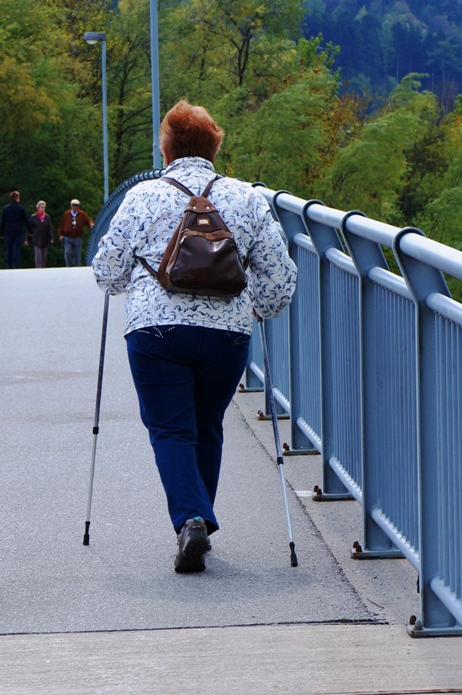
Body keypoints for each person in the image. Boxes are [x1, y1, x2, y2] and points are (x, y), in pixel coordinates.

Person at [91, 100, 296, 574]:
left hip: (156, 331)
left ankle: (190, 520)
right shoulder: (247, 198)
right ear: (215, 148)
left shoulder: (141, 197)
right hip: (227, 335)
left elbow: (106, 271)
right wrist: (253, 309)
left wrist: (139, 287)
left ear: (166, 149)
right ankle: (196, 520)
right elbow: (281, 280)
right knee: (207, 426)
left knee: (170, 429)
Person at [58, 198, 94, 267]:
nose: (75, 207)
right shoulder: (66, 214)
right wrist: (60, 234)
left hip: (77, 237)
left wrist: (91, 224)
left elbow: (88, 220)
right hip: (68, 237)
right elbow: (61, 225)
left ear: (78, 206)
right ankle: (69, 266)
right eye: (74, 205)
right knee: (67, 252)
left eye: (76, 206)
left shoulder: (82, 214)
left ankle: (76, 267)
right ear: (71, 206)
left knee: (77, 254)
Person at [0, 190, 30, 268]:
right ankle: (15, 265)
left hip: (8, 232)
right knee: (17, 249)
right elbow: (27, 220)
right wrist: (31, 230)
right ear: (17, 198)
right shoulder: (21, 208)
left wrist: (2, 233)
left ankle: (9, 265)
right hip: (19, 232)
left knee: (9, 249)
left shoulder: (6, 209)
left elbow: (2, 221)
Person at [28, 200, 55, 268]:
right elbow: (29, 228)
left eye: (44, 207)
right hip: (36, 239)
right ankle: (38, 268)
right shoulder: (33, 217)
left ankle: (43, 269)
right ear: (38, 208)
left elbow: (50, 228)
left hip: (45, 239)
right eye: (41, 207)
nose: (43, 208)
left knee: (44, 256)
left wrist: (52, 237)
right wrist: (27, 239)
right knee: (38, 255)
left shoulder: (47, 217)